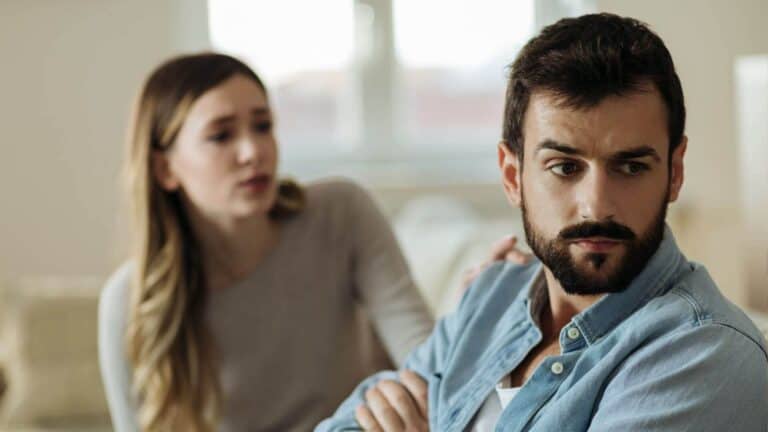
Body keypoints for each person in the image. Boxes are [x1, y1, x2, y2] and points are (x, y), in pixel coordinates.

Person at [317, 13, 768, 432]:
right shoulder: (491, 296)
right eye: (565, 168)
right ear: (513, 176)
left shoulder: (703, 355)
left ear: (675, 172)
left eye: (630, 168)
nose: (595, 206)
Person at [97, 53, 529, 431]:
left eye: (263, 125)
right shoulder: (129, 300)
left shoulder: (340, 213)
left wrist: (474, 310)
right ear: (164, 169)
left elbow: (426, 366)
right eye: (221, 135)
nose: (253, 150)